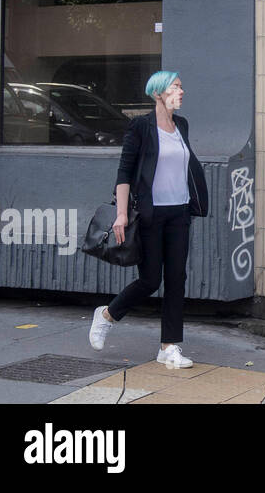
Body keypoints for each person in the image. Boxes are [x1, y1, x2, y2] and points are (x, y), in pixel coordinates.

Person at [88, 71, 209, 368]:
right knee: (150, 279)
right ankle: (107, 315)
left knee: (177, 279)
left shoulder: (181, 125)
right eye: (175, 87)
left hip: (180, 213)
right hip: (151, 215)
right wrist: (120, 215)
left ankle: (169, 347)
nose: (182, 91)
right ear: (158, 93)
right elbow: (125, 172)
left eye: (181, 86)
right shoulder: (140, 126)